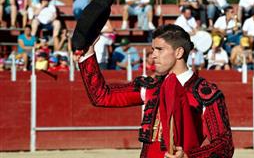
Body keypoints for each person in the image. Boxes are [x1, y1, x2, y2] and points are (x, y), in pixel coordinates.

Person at [74, 24, 234, 158]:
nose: (153, 55)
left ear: (179, 52)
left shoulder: (205, 93)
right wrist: (88, 55)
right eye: (153, 49)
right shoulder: (151, 86)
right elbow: (102, 96)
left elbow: (224, 144)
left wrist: (189, 156)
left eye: (159, 50)